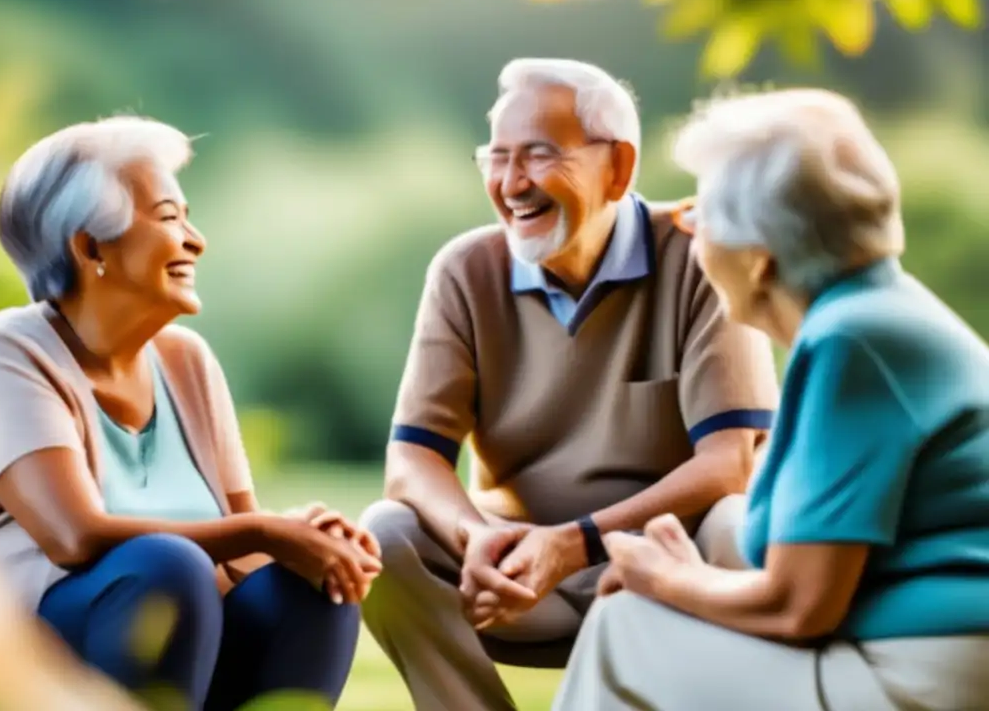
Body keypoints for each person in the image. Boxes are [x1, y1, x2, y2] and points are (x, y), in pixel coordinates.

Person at [359, 58, 780, 711]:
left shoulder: (701, 253)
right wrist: (476, 538)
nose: (511, 183)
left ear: (619, 167)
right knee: (386, 534)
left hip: (668, 568)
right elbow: (412, 460)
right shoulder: (466, 271)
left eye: (537, 155)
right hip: (518, 580)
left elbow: (730, 466)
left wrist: (576, 541)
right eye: (496, 158)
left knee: (735, 524)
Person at [552, 88, 989, 711]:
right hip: (929, 644)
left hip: (931, 670)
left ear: (759, 260)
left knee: (627, 627)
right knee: (723, 522)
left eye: (702, 212)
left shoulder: (853, 343)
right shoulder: (875, 314)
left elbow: (801, 606)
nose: (687, 224)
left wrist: (671, 580)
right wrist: (690, 571)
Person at [0, 116, 382, 711]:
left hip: (173, 628)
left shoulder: (187, 361)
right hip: (25, 648)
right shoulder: (8, 351)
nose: (195, 238)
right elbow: (73, 536)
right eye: (168, 217)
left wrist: (304, 541)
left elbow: (239, 549)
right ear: (89, 246)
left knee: (314, 588)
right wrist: (266, 530)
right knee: (167, 563)